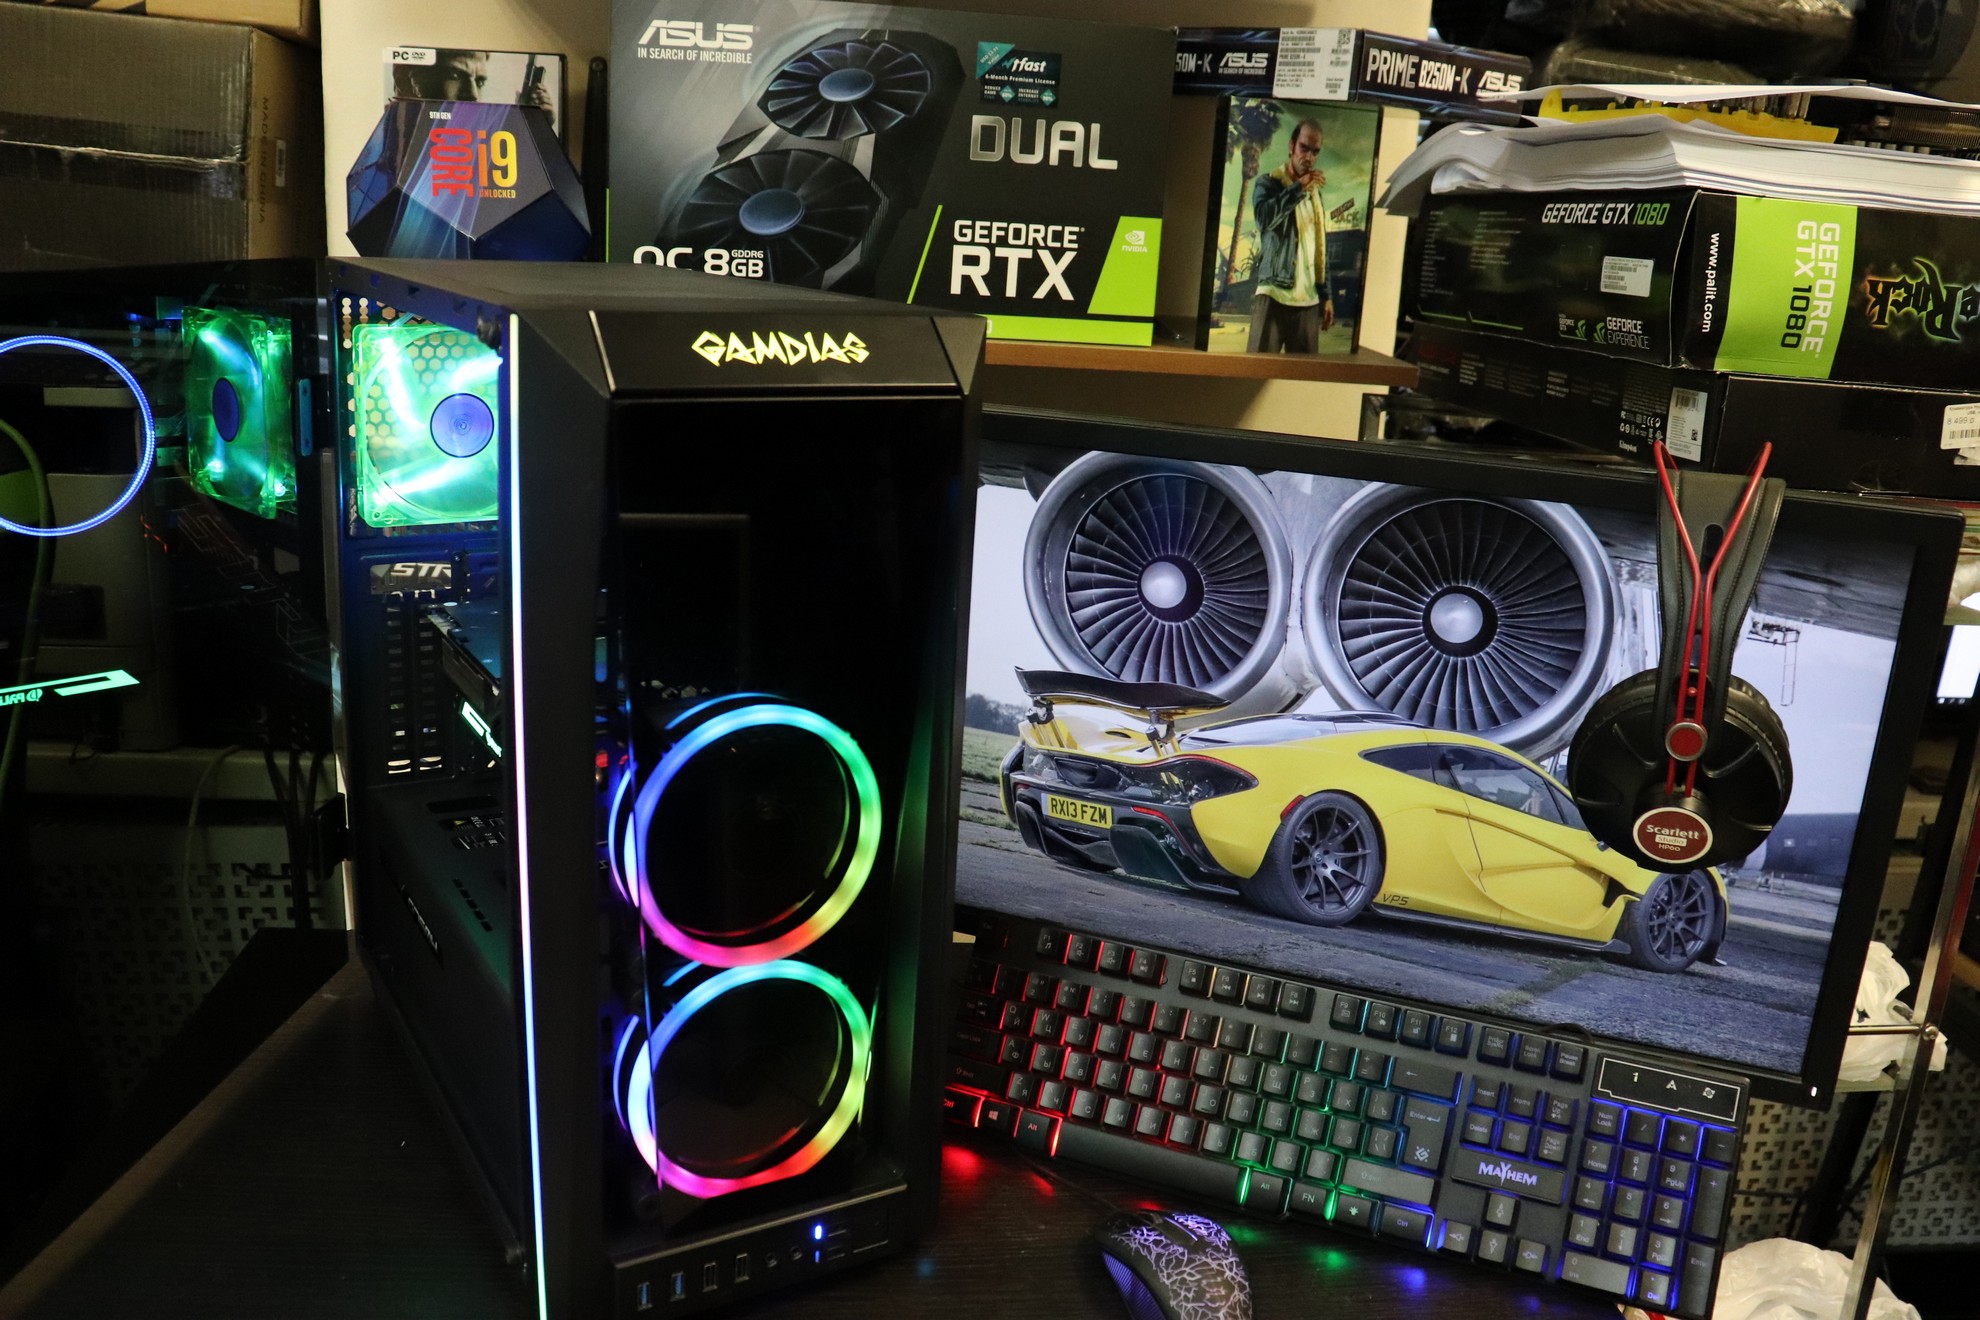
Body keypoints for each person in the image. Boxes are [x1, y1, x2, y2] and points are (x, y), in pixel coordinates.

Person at [1247, 117, 1334, 354]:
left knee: (1305, 376)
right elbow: (1264, 219)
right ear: (1291, 146)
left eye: (1315, 152)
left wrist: (1326, 296)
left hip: (1308, 303)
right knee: (1257, 369)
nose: (1309, 157)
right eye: (1304, 148)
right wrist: (1298, 188)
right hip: (1273, 295)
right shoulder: (1268, 183)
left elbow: (1320, 248)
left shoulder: (1315, 196)